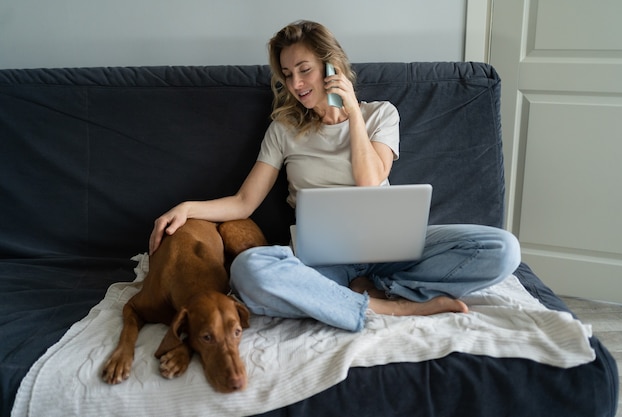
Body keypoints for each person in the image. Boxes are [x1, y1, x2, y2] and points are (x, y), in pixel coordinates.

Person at [149, 20, 521, 332]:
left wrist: (352, 115)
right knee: (248, 271)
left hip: (390, 249)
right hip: (325, 261)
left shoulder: (381, 115)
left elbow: (370, 181)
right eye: (287, 74)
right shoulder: (284, 128)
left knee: (503, 250)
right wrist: (187, 208)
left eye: (304, 69)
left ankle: (383, 287)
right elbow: (245, 202)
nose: (295, 84)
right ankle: (390, 307)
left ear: (331, 66)